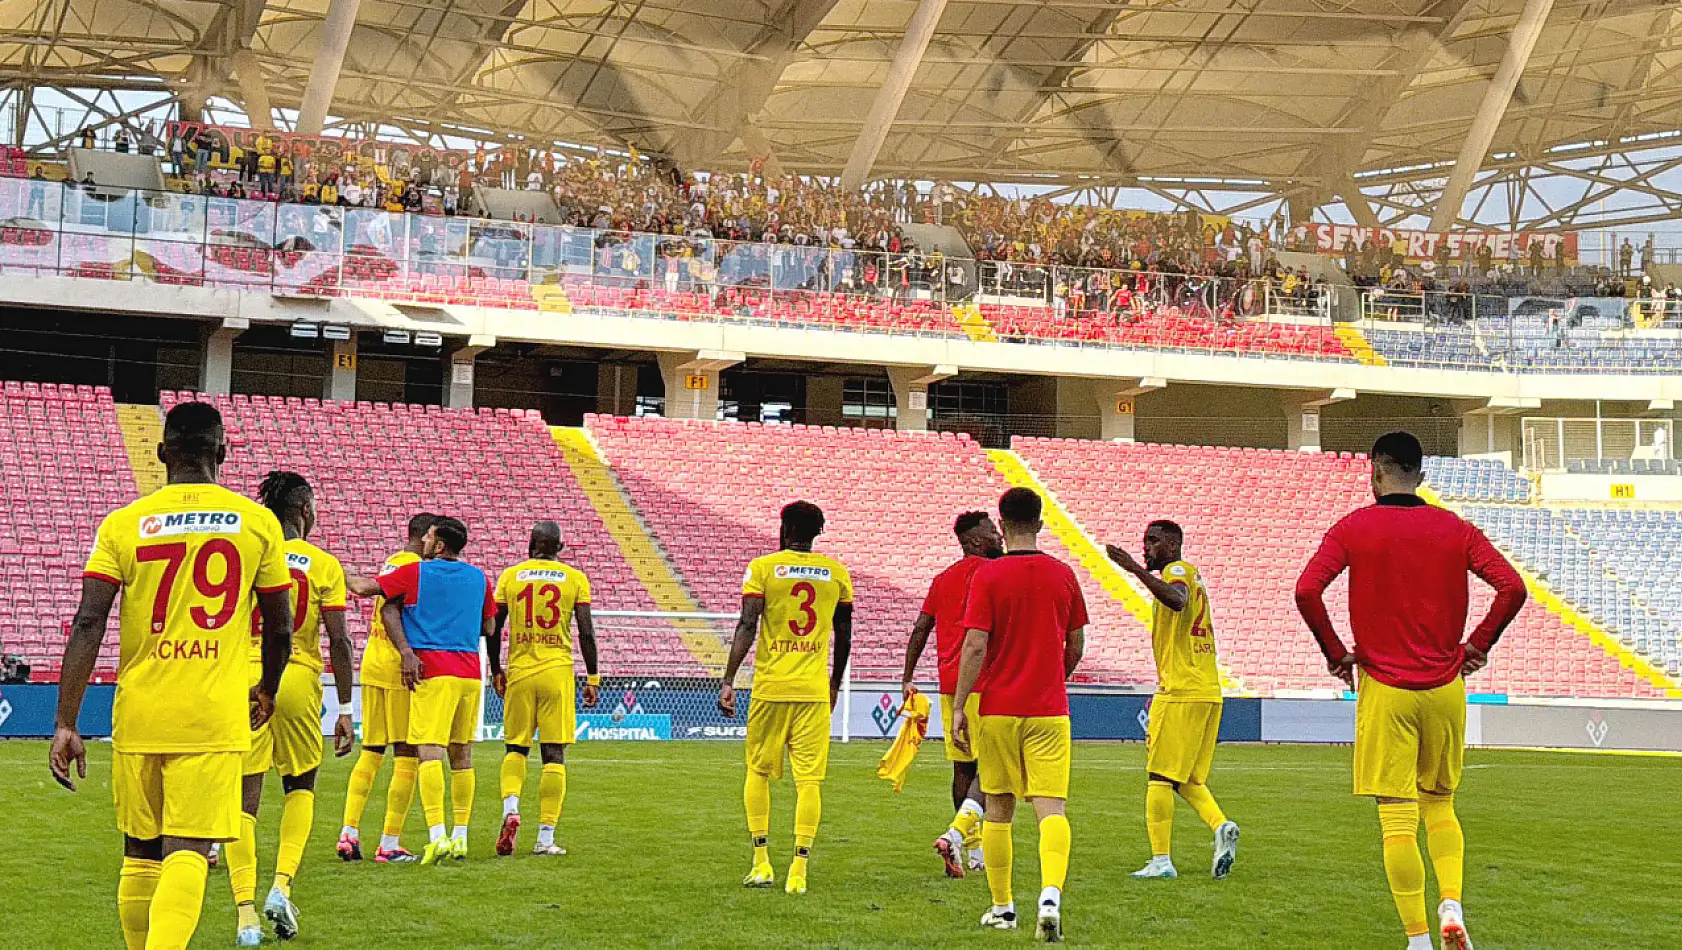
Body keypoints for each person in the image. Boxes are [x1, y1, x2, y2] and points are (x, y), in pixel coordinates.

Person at [50, 401, 294, 950]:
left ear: (163, 454)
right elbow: (280, 628)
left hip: (140, 711)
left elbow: (89, 620)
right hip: (212, 711)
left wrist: (66, 721)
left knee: (139, 853)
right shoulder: (257, 523)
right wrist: (267, 689)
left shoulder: (123, 523)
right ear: (223, 453)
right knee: (187, 850)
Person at [1294, 431, 1527, 950]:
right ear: (1421, 475)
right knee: (1440, 804)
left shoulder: (1354, 527)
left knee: (1396, 813)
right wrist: (1477, 644)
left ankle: (1418, 939)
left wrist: (1337, 653)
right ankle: (1451, 901)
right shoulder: (1456, 529)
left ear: (1374, 471)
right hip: (1445, 686)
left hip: (1385, 686)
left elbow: (1308, 590)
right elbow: (1513, 587)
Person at [950, 487, 1086, 942]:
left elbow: (974, 644)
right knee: (1052, 809)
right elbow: (1077, 644)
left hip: (999, 710)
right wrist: (1053, 678)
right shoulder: (1063, 574)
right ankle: (1050, 894)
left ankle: (1003, 908)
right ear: (1041, 524)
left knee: (999, 809)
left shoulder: (988, 577)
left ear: (1002, 527)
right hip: (1049, 710)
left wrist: (957, 706)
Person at [226, 472, 356, 945]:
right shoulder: (322, 564)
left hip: (246, 674)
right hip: (299, 675)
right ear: (304, 511)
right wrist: (345, 706)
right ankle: (281, 887)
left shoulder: (248, 553)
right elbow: (339, 640)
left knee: (244, 799)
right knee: (300, 785)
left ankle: (244, 914)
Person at [717, 501, 854, 896]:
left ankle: (761, 862)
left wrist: (729, 679)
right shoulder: (837, 574)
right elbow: (844, 638)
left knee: (757, 771)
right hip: (813, 691)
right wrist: (833, 685)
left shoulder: (763, 569)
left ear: (786, 527)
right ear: (816, 532)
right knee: (809, 781)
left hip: (771, 687)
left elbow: (747, 624)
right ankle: (799, 869)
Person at [347, 516, 500, 867]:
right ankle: (461, 836)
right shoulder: (479, 577)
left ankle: (437, 837)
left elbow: (365, 589)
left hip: (433, 672)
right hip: (469, 674)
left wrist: (338, 573)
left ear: (440, 544)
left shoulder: (418, 572)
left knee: (429, 751)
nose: (424, 543)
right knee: (462, 755)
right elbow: (489, 625)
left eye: (430, 537)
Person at [1106, 521, 1239, 881]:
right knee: (1188, 779)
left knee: (1159, 777)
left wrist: (1132, 567)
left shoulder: (1177, 571)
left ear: (1171, 543)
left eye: (1152, 540)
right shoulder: (1189, 577)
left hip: (1180, 691)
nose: (1146, 546)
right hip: (1208, 690)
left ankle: (1161, 860)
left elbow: (1177, 599)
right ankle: (1221, 826)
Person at [900, 511, 1004, 879]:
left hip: (951, 687)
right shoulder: (996, 572)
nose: (999, 535)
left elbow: (920, 628)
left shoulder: (942, 579)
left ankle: (973, 849)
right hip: (989, 683)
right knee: (994, 768)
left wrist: (907, 676)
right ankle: (959, 836)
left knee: (963, 767)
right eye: (993, 531)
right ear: (975, 541)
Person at [492, 521, 601, 857]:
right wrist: (593, 678)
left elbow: (494, 626)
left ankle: (511, 808)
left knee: (515, 748)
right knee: (554, 754)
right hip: (556, 673)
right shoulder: (575, 579)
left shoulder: (511, 576)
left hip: (521, 672)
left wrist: (496, 668)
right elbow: (586, 632)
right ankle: (544, 837)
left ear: (531, 544)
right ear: (560, 547)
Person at [336, 513, 436, 864]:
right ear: (425, 537)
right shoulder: (414, 567)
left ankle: (348, 833)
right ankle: (389, 843)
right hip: (397, 669)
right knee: (406, 754)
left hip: (374, 664)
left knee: (372, 750)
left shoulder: (392, 560)